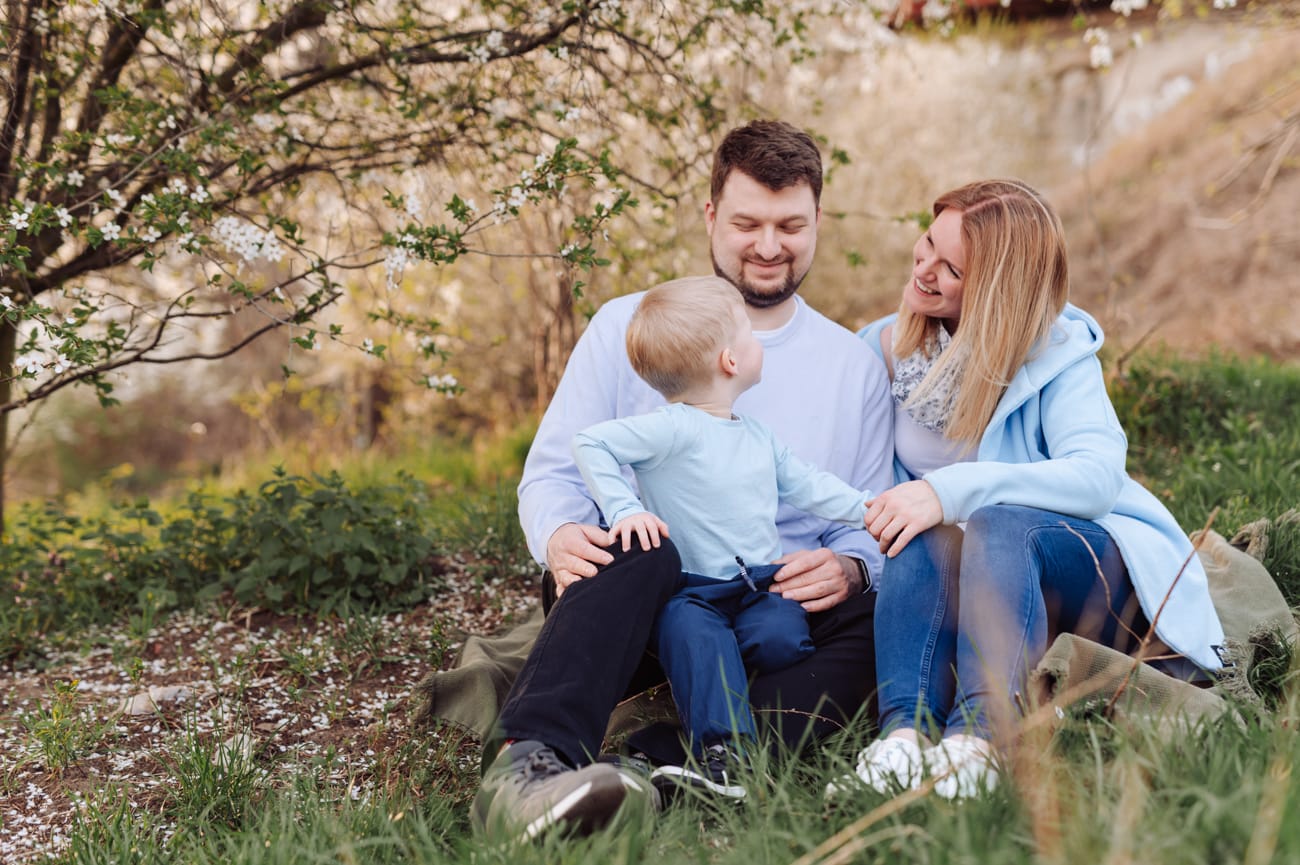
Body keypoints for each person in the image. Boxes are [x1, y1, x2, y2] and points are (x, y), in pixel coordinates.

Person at [472, 119, 895, 842]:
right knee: (644, 545)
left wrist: (852, 565)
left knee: (884, 622)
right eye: (747, 223)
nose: (769, 245)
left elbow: (862, 513)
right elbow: (551, 474)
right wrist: (560, 534)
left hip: (777, 608)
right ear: (710, 216)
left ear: (819, 219)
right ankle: (527, 766)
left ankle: (648, 770)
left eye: (790, 224)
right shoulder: (622, 326)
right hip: (645, 598)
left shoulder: (850, 364)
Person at [830, 179, 1225, 801]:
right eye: (928, 243)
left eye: (952, 268)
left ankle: (982, 742)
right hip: (969, 585)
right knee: (910, 527)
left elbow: (1097, 475)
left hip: (1083, 569)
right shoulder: (881, 345)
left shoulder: (1056, 350)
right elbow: (861, 482)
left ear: (995, 289)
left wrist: (952, 490)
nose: (925, 269)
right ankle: (901, 741)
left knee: (998, 521)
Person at [572, 276, 876, 799]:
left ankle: (706, 695)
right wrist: (623, 508)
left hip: (757, 583)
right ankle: (726, 757)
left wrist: (869, 509)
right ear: (730, 362)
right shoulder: (671, 428)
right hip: (692, 592)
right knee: (694, 634)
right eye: (750, 335)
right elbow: (590, 441)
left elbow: (809, 485)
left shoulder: (756, 435)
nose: (760, 343)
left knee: (782, 638)